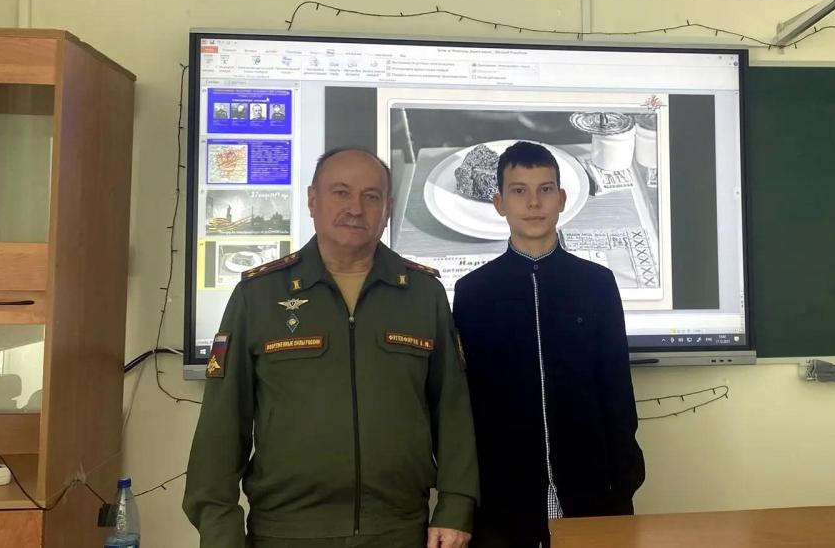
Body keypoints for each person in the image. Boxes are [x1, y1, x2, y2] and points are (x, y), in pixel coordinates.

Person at [183, 147, 478, 548]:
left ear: (388, 208)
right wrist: (220, 532)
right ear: (312, 200)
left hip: (398, 530)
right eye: (341, 192)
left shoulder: (423, 294)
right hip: (286, 532)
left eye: (371, 196)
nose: (355, 208)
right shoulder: (258, 295)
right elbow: (222, 424)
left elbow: (453, 410)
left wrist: (456, 506)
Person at [453, 141, 645, 548]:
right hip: (504, 497)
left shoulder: (596, 284)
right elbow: (468, 400)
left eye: (545, 189)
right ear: (499, 203)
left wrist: (623, 477)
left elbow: (616, 388)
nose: (533, 202)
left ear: (561, 199)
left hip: (593, 488)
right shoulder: (473, 292)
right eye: (519, 190)